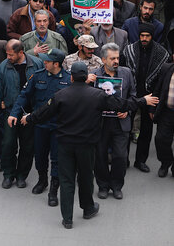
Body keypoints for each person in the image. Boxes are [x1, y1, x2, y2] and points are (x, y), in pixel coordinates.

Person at [22, 62, 130, 229]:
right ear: (86, 77)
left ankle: (67, 219)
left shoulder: (61, 95)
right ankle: (88, 208)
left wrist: (28, 118)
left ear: (71, 77)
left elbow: (43, 112)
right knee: (86, 177)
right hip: (87, 146)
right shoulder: (98, 95)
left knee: (66, 180)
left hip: (65, 145)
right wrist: (143, 101)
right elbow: (121, 104)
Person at [92, 43, 155, 199]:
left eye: (117, 58)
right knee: (100, 156)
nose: (116, 61)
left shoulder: (126, 73)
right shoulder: (94, 75)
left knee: (120, 156)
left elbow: (133, 95)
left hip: (121, 122)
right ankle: (103, 186)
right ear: (103, 59)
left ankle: (116, 185)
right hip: (101, 123)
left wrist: (127, 110)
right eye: (112, 58)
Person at [8, 49, 70, 207]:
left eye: (47, 61)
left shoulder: (69, 80)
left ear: (56, 64)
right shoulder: (38, 75)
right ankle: (42, 181)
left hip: (58, 127)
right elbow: (24, 96)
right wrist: (14, 113)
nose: (44, 62)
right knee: (40, 157)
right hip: (40, 126)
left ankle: (53, 190)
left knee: (56, 159)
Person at [0, 39, 44, 189]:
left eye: (11, 54)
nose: (8, 57)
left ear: (21, 52)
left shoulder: (36, 64)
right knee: (8, 145)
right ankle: (8, 175)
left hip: (30, 114)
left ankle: (21, 176)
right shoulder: (3, 67)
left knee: (27, 147)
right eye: (7, 54)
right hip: (9, 112)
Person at [122, 23, 170, 173]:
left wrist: (153, 103)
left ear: (152, 36)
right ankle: (123, 159)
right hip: (131, 94)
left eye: (147, 36)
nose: (144, 39)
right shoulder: (129, 50)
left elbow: (160, 82)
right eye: (142, 36)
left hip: (150, 96)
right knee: (125, 128)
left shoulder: (161, 54)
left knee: (146, 131)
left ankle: (140, 161)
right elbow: (123, 72)